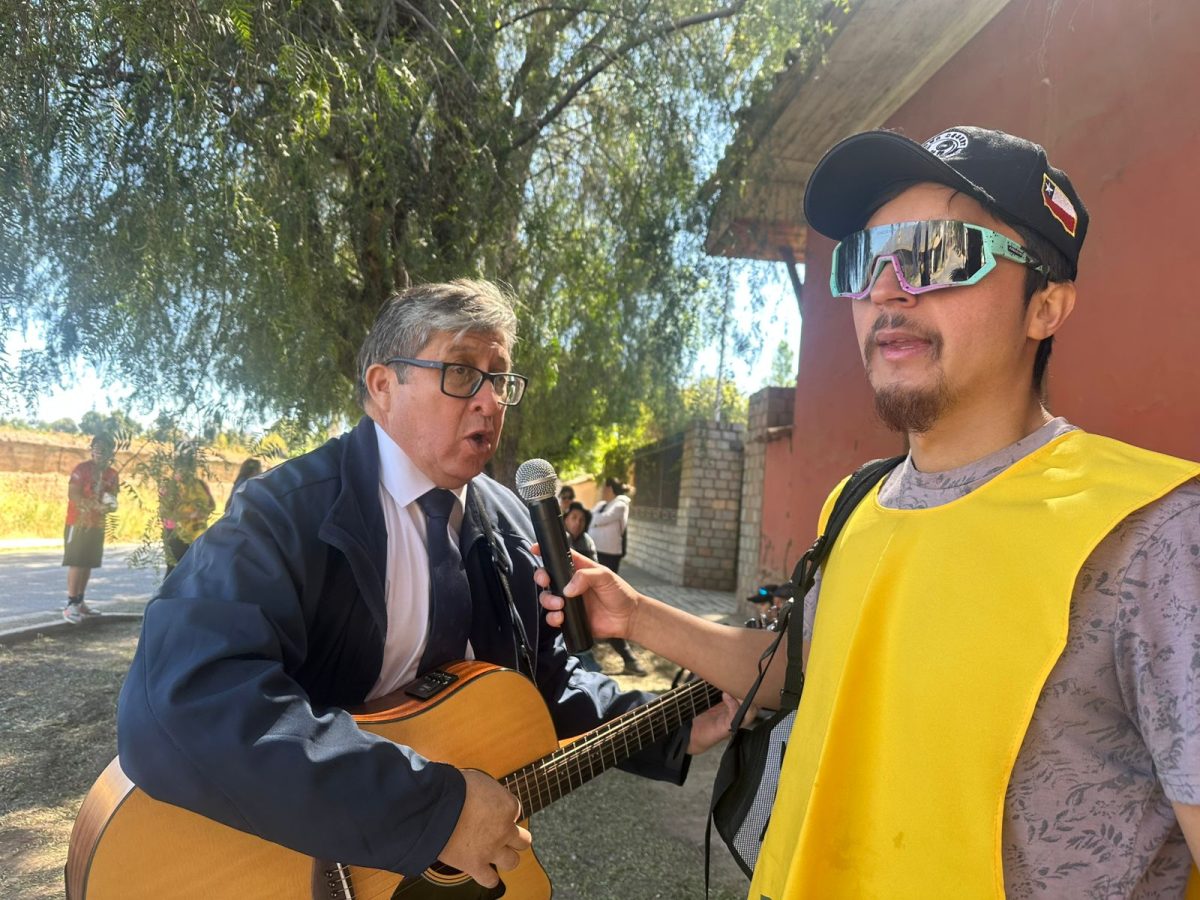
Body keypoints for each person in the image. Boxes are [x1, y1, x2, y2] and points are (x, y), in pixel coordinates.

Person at [539, 126, 1200, 897]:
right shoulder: (856, 501)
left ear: (1044, 306)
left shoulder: (1156, 535)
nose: (887, 290)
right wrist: (635, 615)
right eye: (865, 260)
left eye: (938, 254)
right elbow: (811, 674)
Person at [116, 279, 734, 890]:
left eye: (500, 379)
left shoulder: (515, 524)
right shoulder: (284, 514)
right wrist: (427, 811)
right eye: (462, 372)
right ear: (383, 386)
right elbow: (183, 700)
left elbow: (543, 681)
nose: (490, 401)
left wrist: (673, 726)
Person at [589, 477, 645, 675]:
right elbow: (591, 518)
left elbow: (598, 520)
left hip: (609, 557)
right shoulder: (602, 504)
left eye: (603, 487)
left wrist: (594, 521)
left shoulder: (620, 504)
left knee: (603, 601)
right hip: (596, 554)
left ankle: (629, 660)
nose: (601, 491)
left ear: (609, 488)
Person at [62, 432, 119, 624]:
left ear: (111, 453)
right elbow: (73, 495)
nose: (100, 453)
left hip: (97, 524)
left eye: (105, 449)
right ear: (92, 450)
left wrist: (109, 506)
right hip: (78, 523)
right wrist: (92, 505)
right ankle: (71, 604)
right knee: (77, 561)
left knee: (88, 563)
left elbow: (112, 497)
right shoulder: (82, 469)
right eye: (97, 449)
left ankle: (80, 602)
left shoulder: (112, 474)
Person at [159, 444, 215, 575]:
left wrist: (202, 512)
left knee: (190, 570)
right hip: (176, 534)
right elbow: (166, 513)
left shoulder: (198, 485)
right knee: (176, 570)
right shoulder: (171, 487)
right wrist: (190, 515)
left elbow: (212, 505)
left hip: (195, 533)